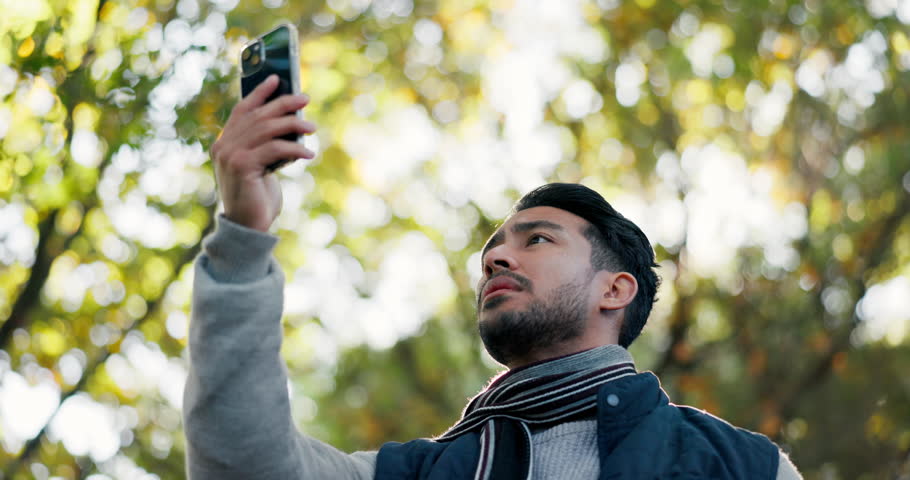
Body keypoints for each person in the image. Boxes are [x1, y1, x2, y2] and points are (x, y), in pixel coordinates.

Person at [183, 76, 802, 479]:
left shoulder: (744, 466)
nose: (495, 260)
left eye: (537, 239)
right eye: (491, 251)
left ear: (615, 289)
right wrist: (242, 234)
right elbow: (243, 464)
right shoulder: (416, 473)